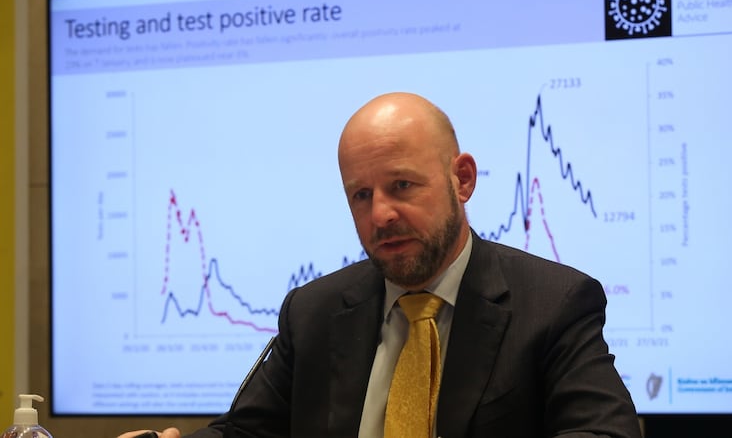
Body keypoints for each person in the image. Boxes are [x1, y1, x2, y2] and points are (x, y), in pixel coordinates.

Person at [118, 92, 641, 438]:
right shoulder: (315, 310)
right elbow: (248, 433)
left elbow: (605, 432)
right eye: (360, 195)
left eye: (402, 186)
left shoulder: (553, 304)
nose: (381, 214)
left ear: (462, 179)